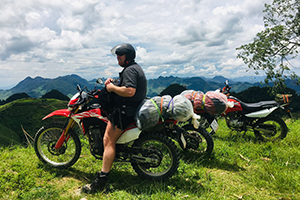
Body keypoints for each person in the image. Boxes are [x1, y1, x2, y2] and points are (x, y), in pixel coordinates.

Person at [82, 43, 147, 193]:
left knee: (108, 140)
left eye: (120, 55)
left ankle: (102, 180)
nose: (117, 58)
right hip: (131, 108)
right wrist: (114, 83)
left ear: (127, 57)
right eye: (117, 55)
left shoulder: (130, 70)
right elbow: (126, 86)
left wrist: (111, 88)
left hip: (124, 111)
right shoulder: (134, 68)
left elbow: (130, 91)